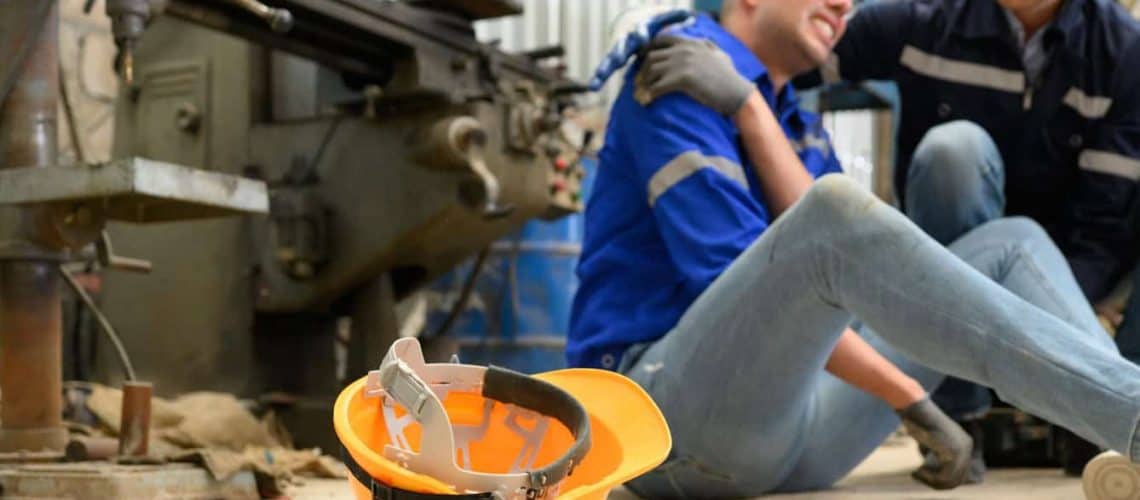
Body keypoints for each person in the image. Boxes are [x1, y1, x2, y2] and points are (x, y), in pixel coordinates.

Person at [566, 0, 1140, 497]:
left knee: (1012, 243)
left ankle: (1118, 432)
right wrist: (910, 395)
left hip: (790, 432)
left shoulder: (794, 120)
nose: (844, 6)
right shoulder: (681, 71)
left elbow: (854, 270)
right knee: (835, 211)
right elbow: (742, 275)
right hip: (668, 423)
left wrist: (753, 108)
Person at [792, 0, 1140, 476]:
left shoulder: (1123, 51)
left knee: (1024, 243)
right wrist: (707, 60)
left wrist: (1052, 336)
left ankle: (1102, 413)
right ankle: (962, 408)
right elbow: (780, 54)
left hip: (1069, 275)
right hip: (955, 270)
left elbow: (1103, 224)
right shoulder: (924, 20)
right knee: (954, 151)